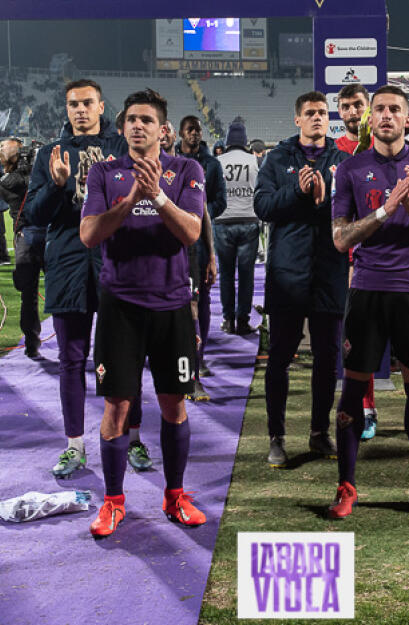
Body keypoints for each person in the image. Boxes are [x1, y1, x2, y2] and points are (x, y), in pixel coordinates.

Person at [78, 88, 208, 536]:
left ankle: (175, 496)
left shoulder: (186, 169)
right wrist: (134, 196)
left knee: (174, 403)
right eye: (131, 119)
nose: (138, 125)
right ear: (121, 127)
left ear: (162, 129)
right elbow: (89, 234)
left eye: (147, 119)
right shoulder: (104, 172)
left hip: (172, 305)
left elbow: (191, 232)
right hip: (120, 307)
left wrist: (159, 197)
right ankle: (113, 502)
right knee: (117, 405)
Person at [328, 84, 409, 519]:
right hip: (367, 290)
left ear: (407, 119)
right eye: (379, 109)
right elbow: (340, 239)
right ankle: (347, 487)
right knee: (353, 390)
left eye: (394, 109)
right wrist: (385, 210)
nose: (386, 115)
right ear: (371, 118)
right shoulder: (350, 169)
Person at [24, 79, 127, 478]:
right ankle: (74, 445)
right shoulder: (49, 153)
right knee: (70, 359)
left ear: (101, 107)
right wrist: (57, 185)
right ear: (66, 109)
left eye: (87, 103)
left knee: (122, 357)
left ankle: (129, 437)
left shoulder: (122, 147)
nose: (80, 109)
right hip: (67, 262)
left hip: (116, 262)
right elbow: (35, 214)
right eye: (73, 104)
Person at [255, 92, 349, 467]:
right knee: (280, 357)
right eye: (310, 113)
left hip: (329, 272)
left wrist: (325, 200)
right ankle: (276, 437)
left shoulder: (341, 161)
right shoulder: (278, 158)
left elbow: (353, 211)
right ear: (297, 120)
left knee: (327, 358)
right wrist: (297, 190)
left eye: (322, 113)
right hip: (287, 274)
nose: (317, 118)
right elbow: (262, 206)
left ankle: (319, 432)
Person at [334, 83, 381, 439]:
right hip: (350, 260)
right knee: (360, 339)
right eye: (347, 106)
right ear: (340, 112)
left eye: (358, 105)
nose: (353, 112)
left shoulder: (387, 146)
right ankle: (367, 410)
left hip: (390, 257)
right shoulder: (334, 152)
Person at [177, 116, 226, 396]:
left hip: (196, 246)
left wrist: (211, 256)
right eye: (190, 130)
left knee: (198, 304)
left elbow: (211, 207)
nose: (195, 134)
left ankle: (196, 364)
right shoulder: (167, 163)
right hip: (170, 249)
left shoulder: (210, 165)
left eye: (197, 130)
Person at [0, 137, 45, 357]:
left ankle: (65, 340)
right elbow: (19, 184)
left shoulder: (34, 172)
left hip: (44, 233)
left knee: (58, 289)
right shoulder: (6, 181)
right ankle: (31, 342)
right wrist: (28, 167)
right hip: (27, 235)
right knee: (28, 292)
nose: (1, 151)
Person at [215, 120, 261, 335]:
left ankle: (228, 320)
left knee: (226, 274)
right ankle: (243, 321)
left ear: (227, 142)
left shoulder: (218, 162)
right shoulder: (254, 161)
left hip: (223, 220)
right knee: (246, 275)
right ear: (244, 141)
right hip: (248, 220)